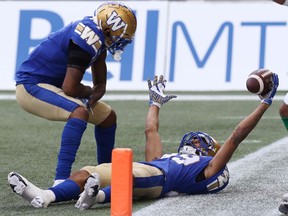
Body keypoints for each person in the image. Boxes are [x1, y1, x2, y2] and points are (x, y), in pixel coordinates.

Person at [8, 74, 279, 209]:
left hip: (158, 179)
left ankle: (96, 196)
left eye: (202, 143)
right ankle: (46, 195)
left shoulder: (208, 168)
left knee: (127, 177)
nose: (198, 142)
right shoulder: (170, 159)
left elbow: (236, 137)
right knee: (90, 170)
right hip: (148, 169)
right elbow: (151, 131)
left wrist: (264, 104)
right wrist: (155, 104)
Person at [14, 2, 137, 186]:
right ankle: (61, 181)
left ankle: (106, 174)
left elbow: (98, 64)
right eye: (120, 35)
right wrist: (91, 91)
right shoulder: (90, 35)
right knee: (79, 112)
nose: (120, 41)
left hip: (50, 85)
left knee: (107, 117)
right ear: (109, 27)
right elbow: (70, 88)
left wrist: (100, 87)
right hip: (31, 86)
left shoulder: (96, 33)